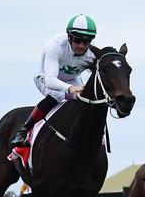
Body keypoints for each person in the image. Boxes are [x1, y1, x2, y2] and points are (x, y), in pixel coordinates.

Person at [10, 14, 98, 148]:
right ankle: (24, 130)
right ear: (69, 37)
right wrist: (69, 88)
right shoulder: (56, 46)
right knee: (58, 94)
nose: (81, 46)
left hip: (72, 80)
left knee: (85, 101)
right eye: (77, 41)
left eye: (86, 42)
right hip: (46, 77)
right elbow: (51, 80)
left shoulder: (91, 55)